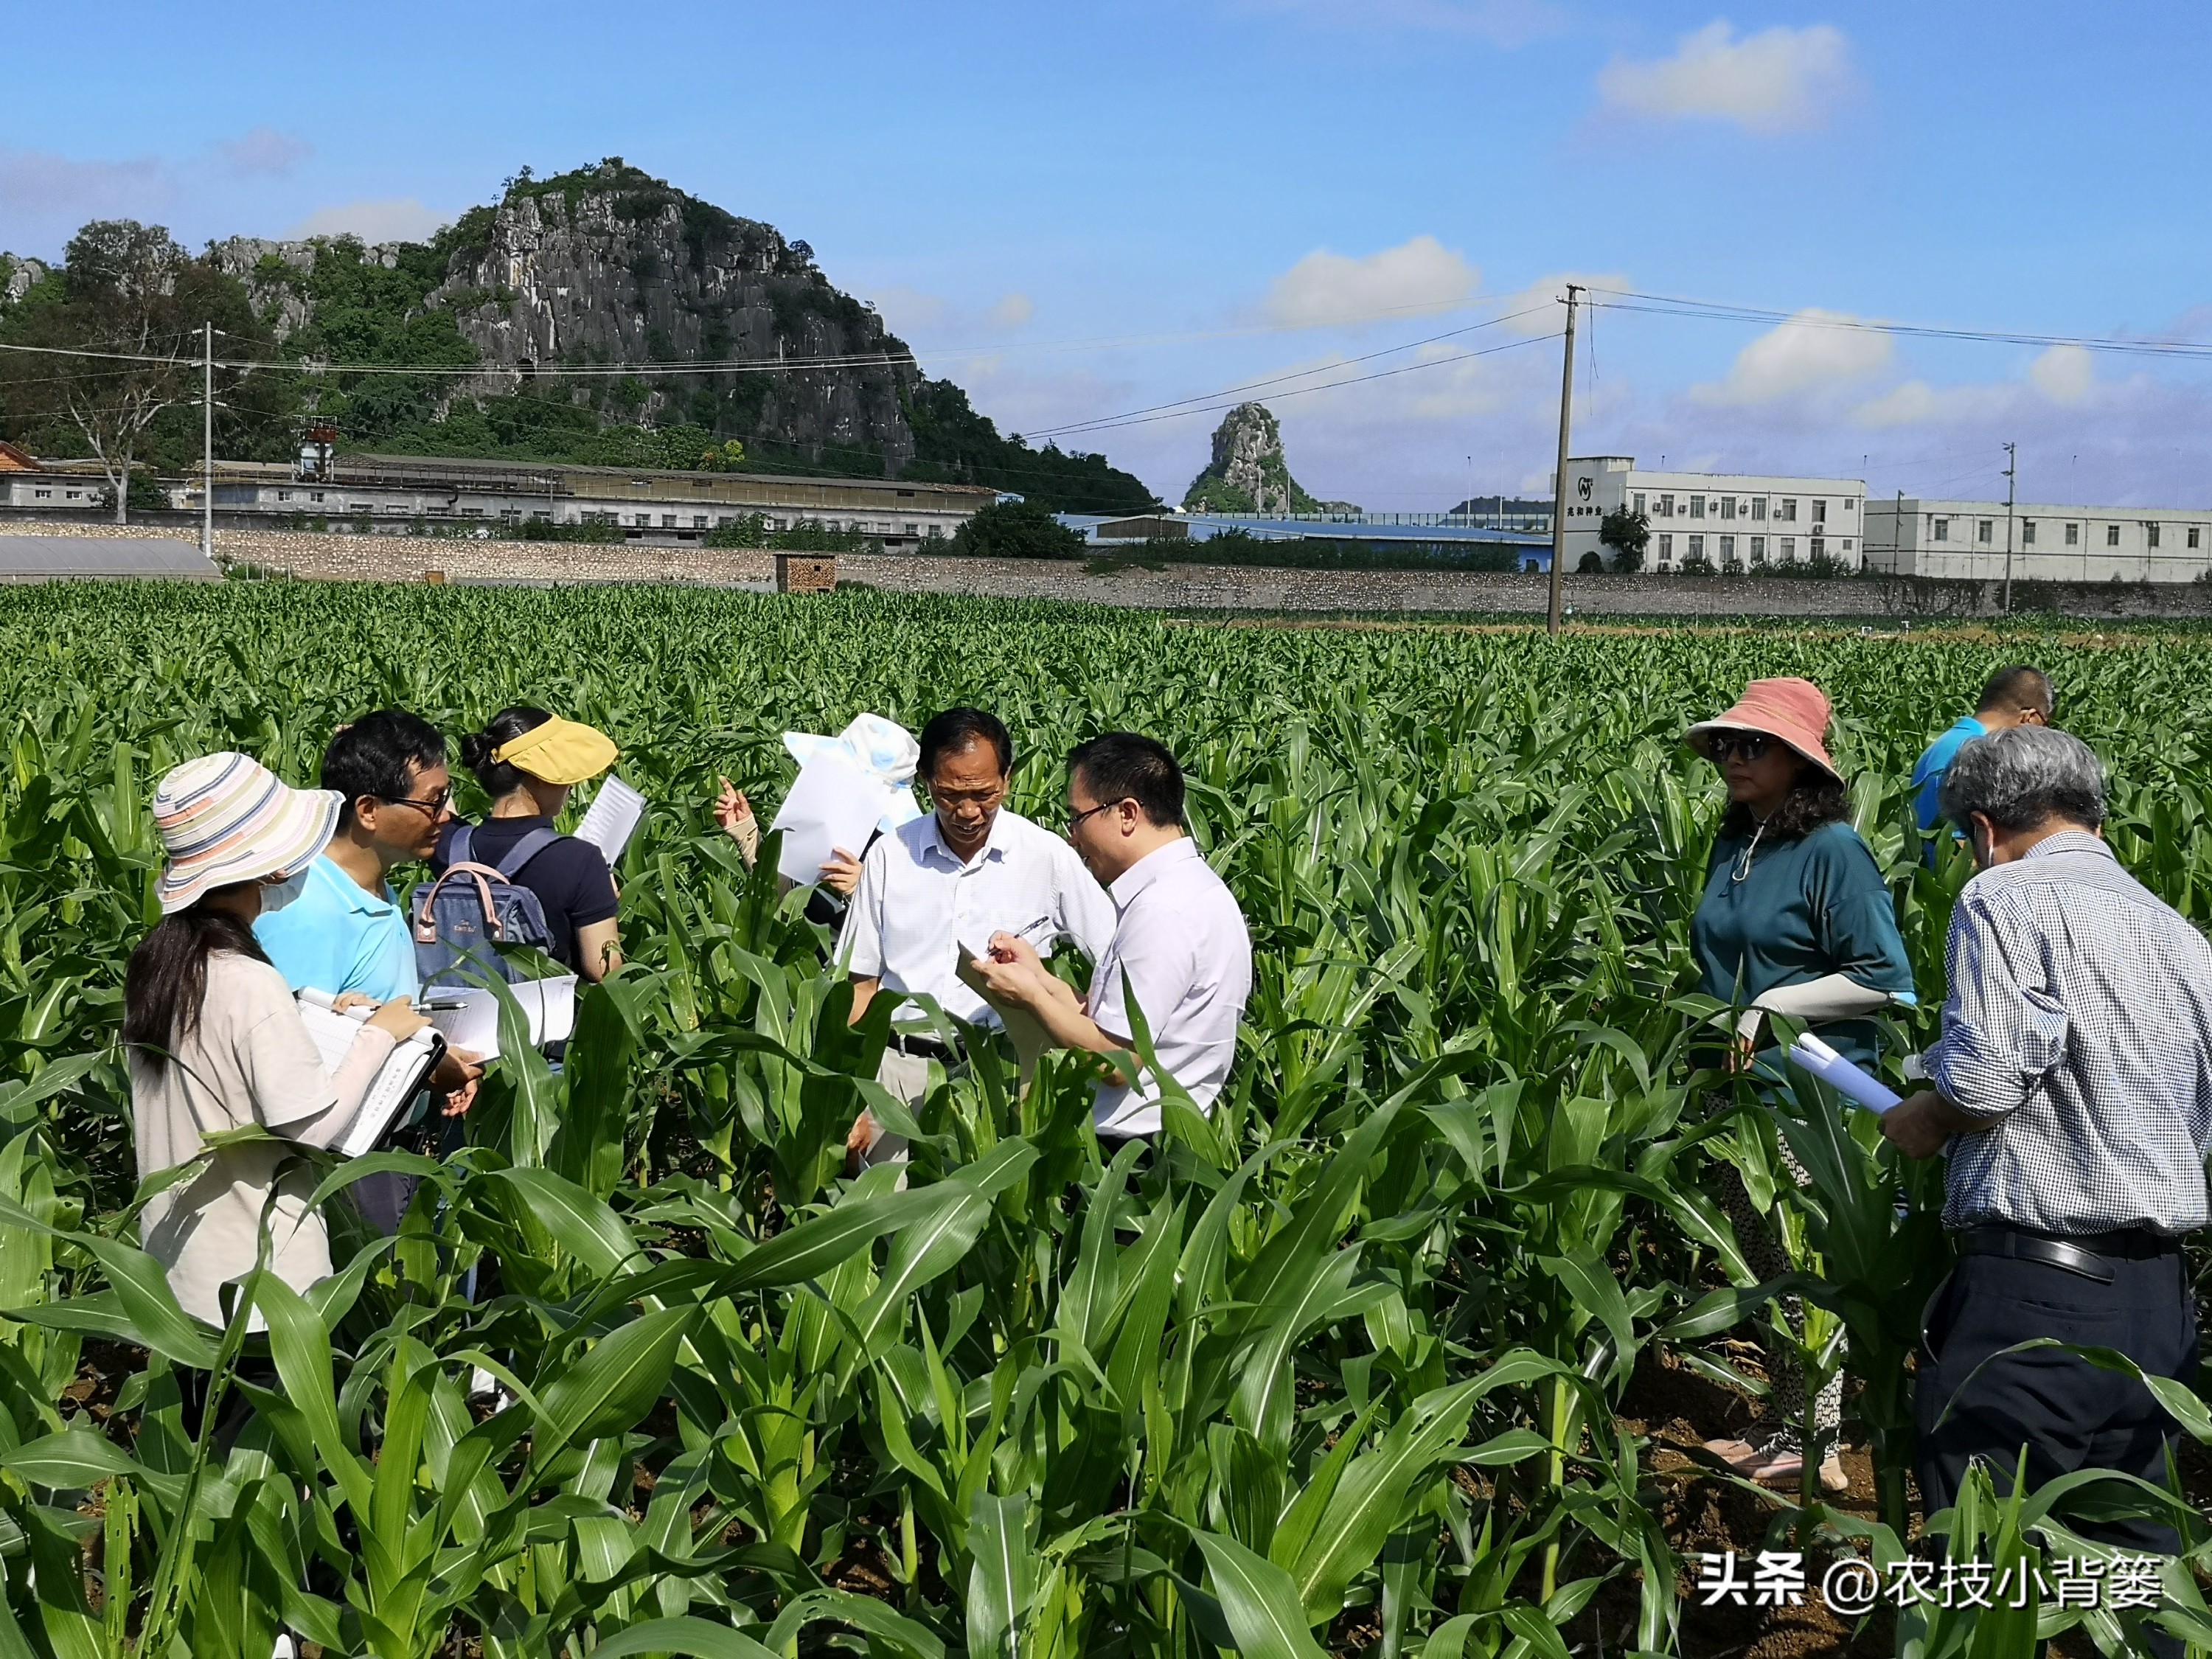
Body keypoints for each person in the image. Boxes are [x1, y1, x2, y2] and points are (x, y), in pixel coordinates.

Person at [1883, 726, 2210, 1593]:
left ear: (1985, 831)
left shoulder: (2004, 900)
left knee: (1981, 1580)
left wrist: (1930, 1113)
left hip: (2036, 1303)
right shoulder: (2181, 934)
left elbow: (1988, 1079)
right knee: (2140, 1581)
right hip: (2161, 1308)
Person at [1684, 677, 1917, 1492]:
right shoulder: (1738, 841)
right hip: (1738, 1089)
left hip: (1808, 1093)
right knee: (1759, 1258)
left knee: (1800, 1263)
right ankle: (1788, 1423)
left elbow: (1889, 981)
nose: (1732, 758)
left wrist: (1775, 1005)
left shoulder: (1833, 851)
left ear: (1800, 763)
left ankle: (1812, 1444)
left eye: (1755, 746)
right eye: (1726, 744)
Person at [125, 752, 430, 1326]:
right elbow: (311, 1127)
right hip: (259, 1284)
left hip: (178, 1270)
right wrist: (377, 1037)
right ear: (268, 868)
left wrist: (313, 1009)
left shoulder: (163, 963)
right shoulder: (247, 979)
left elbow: (221, 1058)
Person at [831, 709, 1116, 1164]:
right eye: (949, 795)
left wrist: (1074, 1012)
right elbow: (860, 986)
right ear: (925, 779)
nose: (967, 812)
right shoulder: (889, 857)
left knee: (996, 1218)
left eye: (984, 794)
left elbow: (1116, 956)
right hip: (897, 1071)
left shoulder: (1046, 857)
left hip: (1002, 1070)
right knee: (892, 1220)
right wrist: (852, 1092)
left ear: (1006, 778)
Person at [254, 712, 481, 1232]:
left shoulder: (375, 892)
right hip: (342, 1172)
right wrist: (432, 1064)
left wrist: (437, 1065)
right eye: (434, 800)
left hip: (385, 1147)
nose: (447, 815)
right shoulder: (310, 910)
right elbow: (298, 1058)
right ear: (368, 810)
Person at [967, 731, 1252, 1141]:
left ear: (1127, 814)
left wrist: (1029, 998)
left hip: (1133, 1153)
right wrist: (1042, 980)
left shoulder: (1162, 913)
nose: (1072, 837)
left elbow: (1117, 1063)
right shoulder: (1196, 889)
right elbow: (1119, 1024)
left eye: (1078, 818)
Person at [437, 707, 625, 981]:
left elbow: (444, 812)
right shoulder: (581, 859)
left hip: (459, 1017)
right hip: (544, 1020)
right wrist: (604, 903)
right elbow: (604, 970)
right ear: (540, 775)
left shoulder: (448, 846)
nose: (570, 785)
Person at [1909, 665, 2052, 860]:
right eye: (2044, 726)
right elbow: (1960, 851)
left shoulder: (1942, 744)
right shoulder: (1980, 756)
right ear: (2030, 718)